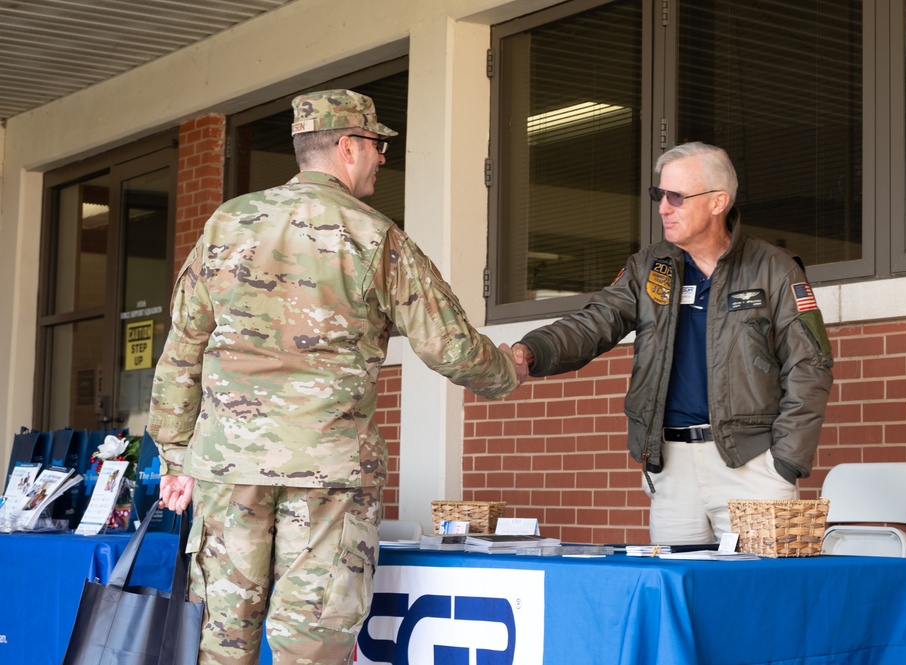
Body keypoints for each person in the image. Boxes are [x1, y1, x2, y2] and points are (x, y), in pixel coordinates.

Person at [147, 89, 521, 665]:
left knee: (221, 640)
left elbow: (183, 347)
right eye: (376, 145)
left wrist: (177, 457)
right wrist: (508, 371)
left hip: (228, 467)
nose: (381, 158)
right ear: (347, 146)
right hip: (329, 473)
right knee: (312, 641)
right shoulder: (373, 235)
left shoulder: (227, 224)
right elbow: (449, 346)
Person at [512, 141, 833, 544]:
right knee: (679, 597)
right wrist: (532, 350)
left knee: (760, 598)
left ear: (718, 202)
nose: (663, 207)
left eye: (676, 197)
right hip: (671, 466)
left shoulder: (773, 268)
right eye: (659, 195)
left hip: (752, 464)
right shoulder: (649, 268)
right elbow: (594, 322)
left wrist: (785, 461)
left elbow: (810, 364)